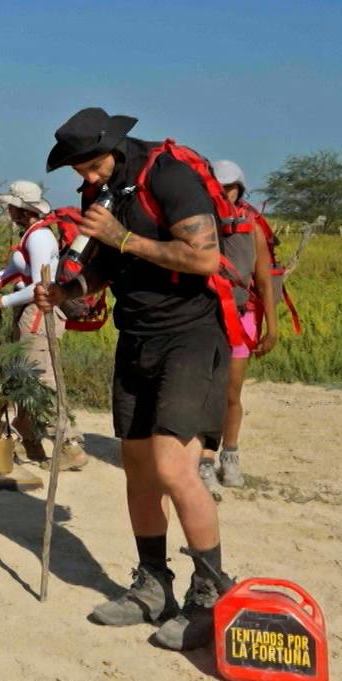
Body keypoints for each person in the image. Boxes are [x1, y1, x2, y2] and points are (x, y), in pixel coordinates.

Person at [33, 107, 238, 651]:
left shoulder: (168, 176)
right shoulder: (101, 192)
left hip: (190, 336)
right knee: (139, 469)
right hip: (137, 336)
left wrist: (123, 238)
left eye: (94, 165)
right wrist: (69, 293)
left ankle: (212, 595)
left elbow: (205, 259)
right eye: (79, 171)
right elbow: (103, 267)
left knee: (175, 468)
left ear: (117, 147)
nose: (88, 178)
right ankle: (153, 585)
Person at [0, 180, 88, 472]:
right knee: (24, 378)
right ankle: (28, 439)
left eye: (11, 206)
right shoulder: (31, 234)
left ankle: (69, 445)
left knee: (41, 380)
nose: (8, 211)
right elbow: (16, 275)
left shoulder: (39, 237)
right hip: (30, 315)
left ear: (21, 208)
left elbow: (40, 288)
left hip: (39, 315)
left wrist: (2, 303)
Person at [198, 160, 278, 495]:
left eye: (229, 186)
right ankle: (203, 459)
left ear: (240, 187)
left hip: (241, 317)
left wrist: (271, 327)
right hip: (203, 315)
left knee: (231, 392)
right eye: (217, 186)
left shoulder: (252, 227)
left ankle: (229, 455)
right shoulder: (199, 225)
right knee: (203, 391)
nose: (223, 192)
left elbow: (264, 278)